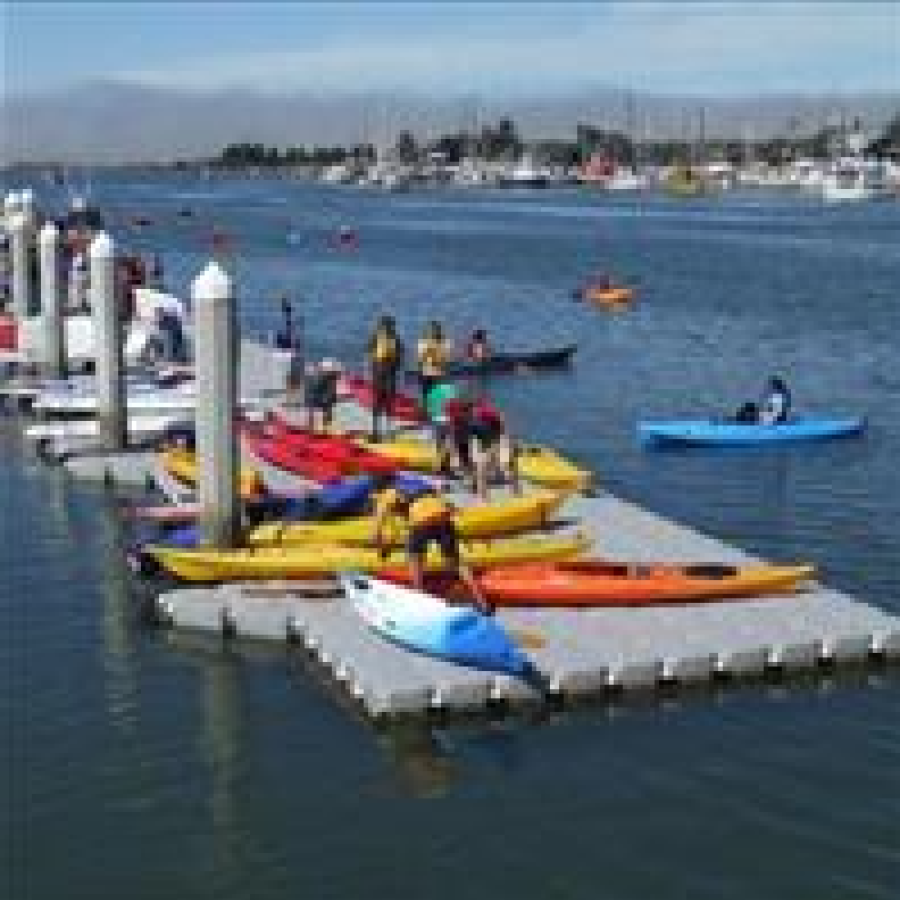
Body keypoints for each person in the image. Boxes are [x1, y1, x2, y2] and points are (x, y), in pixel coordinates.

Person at [371, 483, 493, 615]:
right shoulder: (420, 486)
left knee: (415, 561)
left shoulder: (388, 494)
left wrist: (381, 551)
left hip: (421, 519)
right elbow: (450, 506)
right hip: (442, 515)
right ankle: (482, 602)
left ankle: (421, 603)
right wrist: (470, 537)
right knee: (457, 562)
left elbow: (376, 532)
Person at [445, 394, 520, 500]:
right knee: (481, 471)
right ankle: (483, 500)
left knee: (505, 466)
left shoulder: (483, 413)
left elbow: (501, 421)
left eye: (458, 417)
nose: (456, 420)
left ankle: (516, 494)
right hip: (486, 444)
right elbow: (458, 441)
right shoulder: (460, 423)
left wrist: (508, 439)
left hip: (499, 439)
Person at [366, 315, 403, 442]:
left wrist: (394, 365)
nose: (387, 328)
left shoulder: (395, 340)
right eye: (386, 325)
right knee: (378, 403)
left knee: (387, 403)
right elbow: (369, 353)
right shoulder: (377, 338)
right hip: (380, 373)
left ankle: (387, 431)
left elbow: (399, 357)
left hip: (387, 373)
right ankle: (376, 431)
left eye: (388, 326)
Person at [416, 320, 451, 404]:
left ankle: (432, 409)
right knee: (428, 395)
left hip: (438, 373)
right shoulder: (423, 342)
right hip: (428, 373)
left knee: (436, 396)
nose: (433, 332)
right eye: (432, 330)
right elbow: (421, 359)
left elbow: (446, 359)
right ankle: (427, 409)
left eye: (434, 330)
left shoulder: (444, 342)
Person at [304, 358, 342, 433]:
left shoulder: (330, 379)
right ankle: (319, 427)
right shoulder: (326, 379)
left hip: (322, 394)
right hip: (319, 394)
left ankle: (323, 427)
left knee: (326, 408)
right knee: (325, 407)